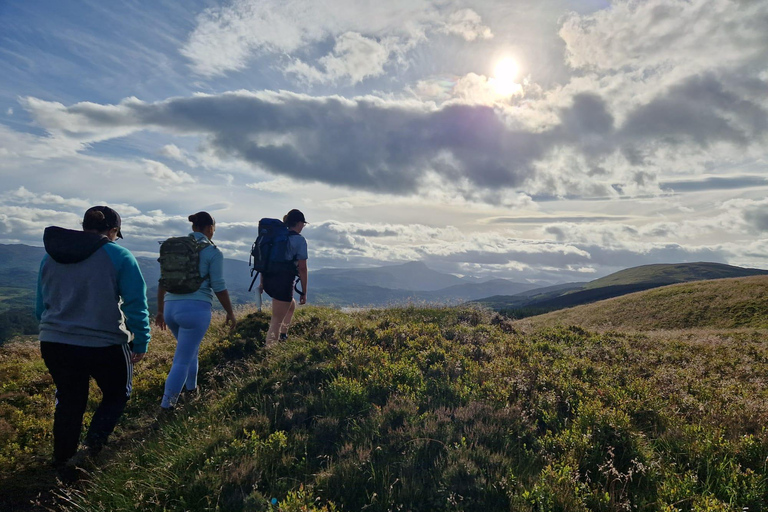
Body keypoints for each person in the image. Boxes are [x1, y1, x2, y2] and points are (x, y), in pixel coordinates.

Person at [35, 206, 150, 470]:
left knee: (70, 399)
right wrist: (140, 341)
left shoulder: (49, 256)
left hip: (54, 341)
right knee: (117, 394)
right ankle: (90, 451)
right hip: (104, 343)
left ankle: (62, 459)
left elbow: (40, 307)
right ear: (113, 231)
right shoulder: (118, 254)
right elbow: (135, 303)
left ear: (84, 227)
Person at [155, 211, 236, 410]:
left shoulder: (175, 249)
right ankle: (167, 407)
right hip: (195, 310)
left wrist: (160, 311)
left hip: (170, 308)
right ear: (210, 228)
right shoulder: (212, 252)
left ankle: (192, 390)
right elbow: (218, 285)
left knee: (191, 351)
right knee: (181, 361)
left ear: (193, 228)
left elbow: (163, 282)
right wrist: (230, 312)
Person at [259, 209, 309, 345]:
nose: (303, 227)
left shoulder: (275, 237)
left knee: (290, 305)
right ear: (299, 223)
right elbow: (302, 268)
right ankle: (268, 353)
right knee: (276, 321)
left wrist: (262, 283)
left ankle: (283, 335)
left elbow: (265, 260)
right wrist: (304, 291)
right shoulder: (299, 240)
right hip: (283, 281)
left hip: (269, 279)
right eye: (303, 224)